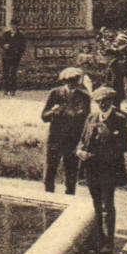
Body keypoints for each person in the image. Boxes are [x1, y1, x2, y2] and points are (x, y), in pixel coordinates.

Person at [76, 86, 127, 253]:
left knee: (107, 204)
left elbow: (124, 146)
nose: (102, 105)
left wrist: (109, 137)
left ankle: (108, 242)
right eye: (99, 102)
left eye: (106, 101)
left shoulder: (119, 119)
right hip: (91, 167)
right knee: (96, 204)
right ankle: (98, 239)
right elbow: (82, 139)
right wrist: (79, 150)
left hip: (109, 168)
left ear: (111, 102)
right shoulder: (91, 117)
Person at [41, 67, 91, 196]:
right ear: (64, 81)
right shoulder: (55, 93)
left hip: (72, 138)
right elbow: (44, 116)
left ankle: (70, 196)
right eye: (69, 81)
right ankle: (48, 195)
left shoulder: (84, 96)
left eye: (75, 80)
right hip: (55, 137)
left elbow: (87, 119)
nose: (72, 84)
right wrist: (53, 112)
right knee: (51, 168)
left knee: (71, 170)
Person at [0, 27, 26, 96]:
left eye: (15, 26)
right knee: (6, 73)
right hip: (6, 56)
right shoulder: (6, 34)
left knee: (13, 73)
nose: (13, 27)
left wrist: (18, 53)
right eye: (12, 25)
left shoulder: (20, 35)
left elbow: (22, 46)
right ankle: (6, 89)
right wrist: (4, 45)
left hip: (15, 57)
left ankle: (12, 90)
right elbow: (1, 43)